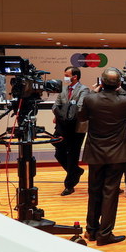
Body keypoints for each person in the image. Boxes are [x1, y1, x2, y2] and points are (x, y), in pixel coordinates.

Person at [78, 67, 126, 246]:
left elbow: (81, 116)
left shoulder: (90, 98)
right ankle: (105, 234)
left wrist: (94, 91)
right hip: (117, 153)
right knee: (110, 193)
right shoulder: (124, 102)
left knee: (94, 191)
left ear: (101, 83)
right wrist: (124, 90)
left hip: (95, 151)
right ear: (119, 84)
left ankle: (91, 230)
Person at [53, 66, 90, 197]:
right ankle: (76, 171)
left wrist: (62, 111)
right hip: (63, 127)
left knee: (72, 155)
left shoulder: (84, 89)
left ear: (75, 77)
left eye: (67, 74)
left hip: (77, 128)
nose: (65, 77)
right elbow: (55, 106)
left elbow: (78, 108)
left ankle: (69, 185)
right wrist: (64, 112)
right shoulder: (63, 89)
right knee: (59, 153)